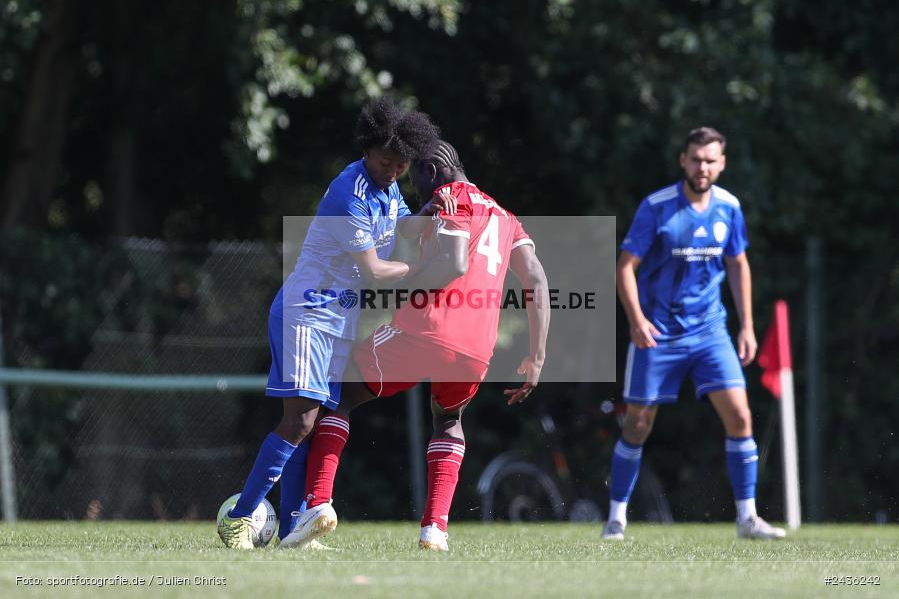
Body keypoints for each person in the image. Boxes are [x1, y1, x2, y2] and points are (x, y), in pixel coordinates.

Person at [279, 140, 551, 551]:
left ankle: (317, 503)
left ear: (430, 171)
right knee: (449, 420)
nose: (415, 192)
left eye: (414, 179)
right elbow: (536, 278)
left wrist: (403, 283)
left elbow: (455, 262)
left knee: (338, 395)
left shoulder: (451, 196)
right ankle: (435, 529)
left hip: (427, 328)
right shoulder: (504, 216)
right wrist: (537, 355)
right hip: (477, 346)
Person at [217, 97, 445, 549]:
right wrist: (424, 269)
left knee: (312, 422)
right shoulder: (349, 192)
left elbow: (404, 228)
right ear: (367, 150)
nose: (393, 171)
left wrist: (437, 213)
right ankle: (239, 518)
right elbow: (374, 270)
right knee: (300, 421)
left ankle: (291, 530)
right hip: (308, 312)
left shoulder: (388, 190)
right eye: (385, 162)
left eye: (401, 165)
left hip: (339, 318)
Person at [602, 127, 785, 541]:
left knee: (741, 416)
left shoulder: (729, 207)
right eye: (696, 159)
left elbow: (738, 263)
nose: (702, 167)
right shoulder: (657, 207)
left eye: (710, 160)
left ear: (722, 164)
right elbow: (625, 266)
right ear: (683, 161)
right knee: (637, 424)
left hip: (710, 331)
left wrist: (747, 326)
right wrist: (636, 319)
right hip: (658, 333)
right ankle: (615, 518)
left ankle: (747, 518)